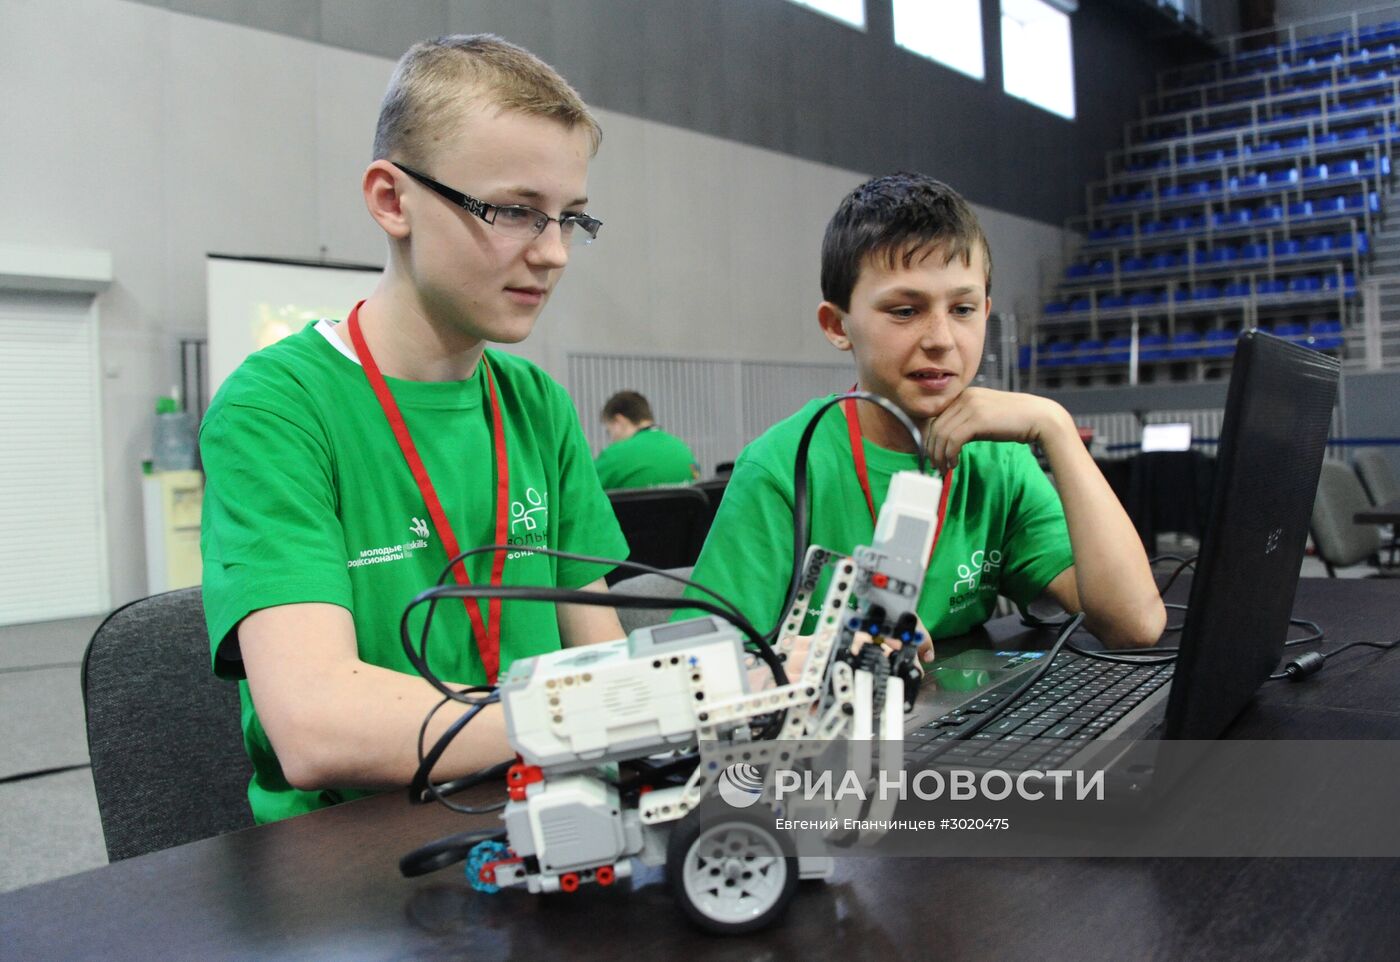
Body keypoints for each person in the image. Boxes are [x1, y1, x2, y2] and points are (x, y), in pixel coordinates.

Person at [199, 35, 629, 824]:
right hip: (349, 859)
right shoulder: (276, 409)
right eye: (515, 212)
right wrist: (596, 712)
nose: (557, 252)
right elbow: (316, 725)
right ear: (392, 200)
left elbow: (598, 658)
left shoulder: (537, 403)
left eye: (573, 219)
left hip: (539, 809)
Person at [681, 172, 1165, 660]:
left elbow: (1135, 624)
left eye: (963, 309)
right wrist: (831, 651)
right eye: (905, 311)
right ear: (837, 324)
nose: (941, 338)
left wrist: (1056, 426)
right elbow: (694, 670)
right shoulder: (782, 468)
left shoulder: (999, 460)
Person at [594, 390, 701, 488]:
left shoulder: (614, 455)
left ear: (618, 421)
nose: (611, 439)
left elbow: (585, 496)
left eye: (609, 431)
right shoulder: (685, 451)